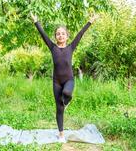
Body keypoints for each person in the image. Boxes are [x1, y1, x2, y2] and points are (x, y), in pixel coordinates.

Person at [30, 12, 98, 142]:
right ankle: (61, 134)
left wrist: (90, 21)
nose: (60, 35)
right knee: (59, 109)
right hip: (56, 82)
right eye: (58, 34)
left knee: (67, 93)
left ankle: (66, 100)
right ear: (55, 37)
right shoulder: (53, 47)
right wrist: (36, 21)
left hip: (68, 80)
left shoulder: (71, 47)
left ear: (67, 36)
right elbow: (43, 35)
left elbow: (81, 34)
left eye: (63, 33)